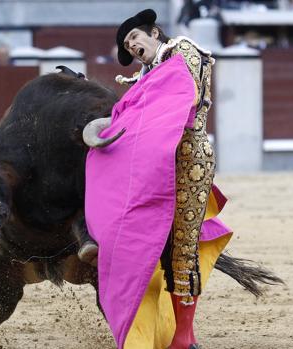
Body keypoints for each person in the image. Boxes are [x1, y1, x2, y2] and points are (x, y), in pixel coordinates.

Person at [82, 8, 232, 349]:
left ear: (154, 33)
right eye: (126, 44)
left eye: (134, 37)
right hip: (153, 164)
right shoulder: (147, 75)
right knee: (140, 235)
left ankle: (183, 337)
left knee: (183, 247)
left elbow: (179, 96)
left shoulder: (182, 50)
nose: (132, 46)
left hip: (188, 160)